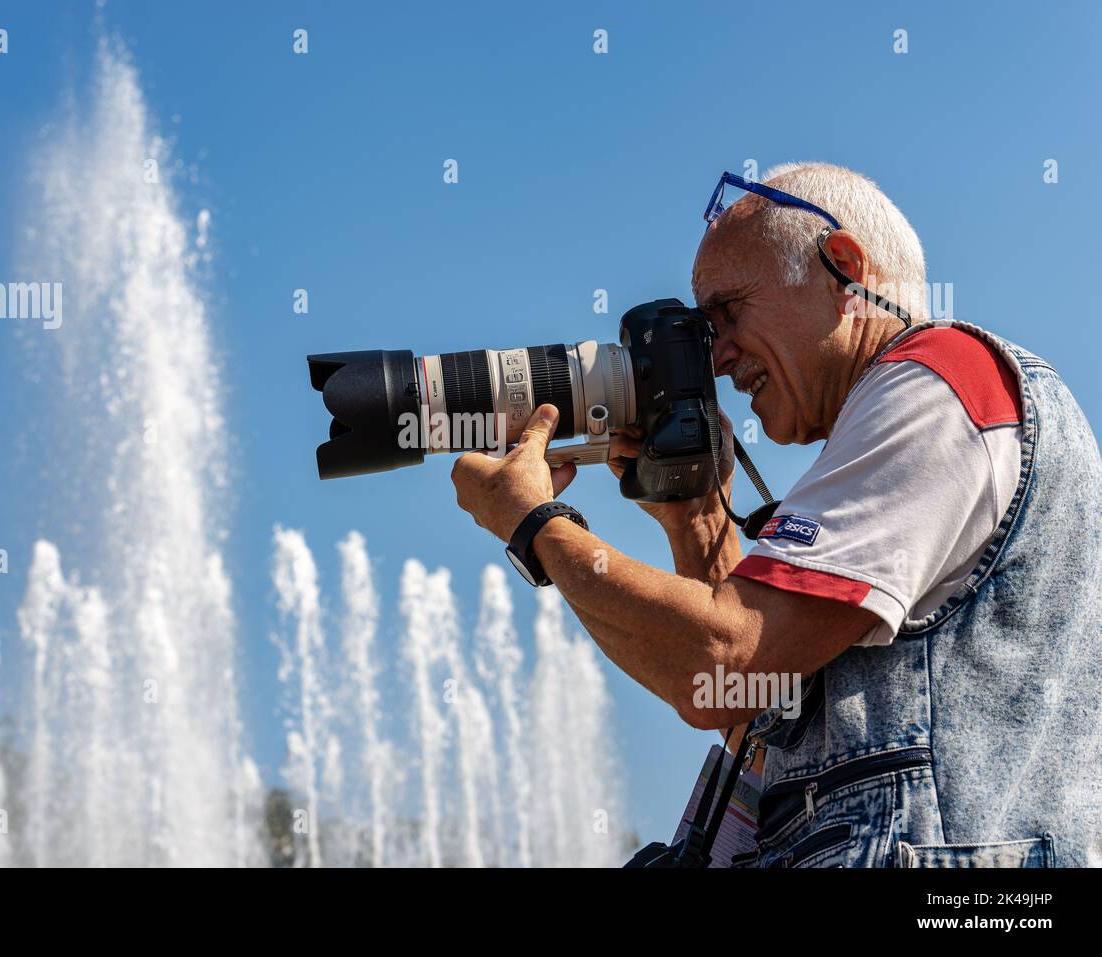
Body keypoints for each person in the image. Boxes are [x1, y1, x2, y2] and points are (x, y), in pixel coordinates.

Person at [450, 162, 1102, 867]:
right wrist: (697, 520)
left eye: (729, 313)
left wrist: (535, 523)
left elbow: (719, 660)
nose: (719, 357)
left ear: (844, 270)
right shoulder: (905, 421)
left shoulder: (939, 379)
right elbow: (749, 711)